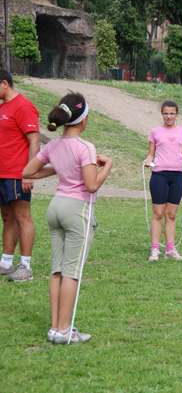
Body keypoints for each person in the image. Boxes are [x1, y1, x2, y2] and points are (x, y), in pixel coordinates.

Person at [22, 92, 113, 344]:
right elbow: (92, 185)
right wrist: (107, 165)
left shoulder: (52, 145)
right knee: (71, 272)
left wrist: (61, 169)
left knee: (57, 271)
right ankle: (64, 331)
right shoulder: (86, 147)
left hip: (55, 208)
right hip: (76, 210)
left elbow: (28, 171)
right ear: (83, 120)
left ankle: (56, 328)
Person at [0, 68, 40, 282]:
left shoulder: (23, 105)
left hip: (18, 173)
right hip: (2, 174)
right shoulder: (2, 107)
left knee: (22, 217)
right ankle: (6, 263)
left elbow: (35, 140)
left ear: (4, 83)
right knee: (7, 217)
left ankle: (25, 266)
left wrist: (29, 173)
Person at [143, 101, 182, 261]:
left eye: (172, 113)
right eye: (166, 113)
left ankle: (170, 250)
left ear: (176, 114)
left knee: (171, 214)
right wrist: (147, 160)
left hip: (178, 176)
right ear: (162, 114)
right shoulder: (155, 132)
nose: (169, 116)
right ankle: (155, 250)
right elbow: (151, 154)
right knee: (158, 214)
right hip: (159, 176)